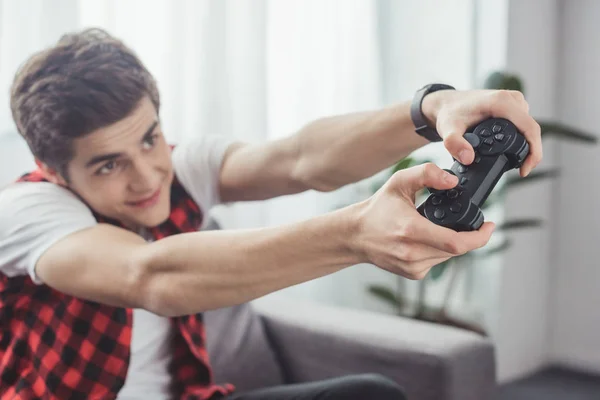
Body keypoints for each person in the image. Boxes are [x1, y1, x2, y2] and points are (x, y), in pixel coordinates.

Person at [0, 28, 542, 400]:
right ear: (53, 168)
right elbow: (149, 275)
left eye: (150, 139)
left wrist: (427, 110)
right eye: (107, 165)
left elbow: (301, 158)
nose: (146, 175)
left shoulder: (179, 167)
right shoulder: (28, 212)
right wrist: (353, 235)